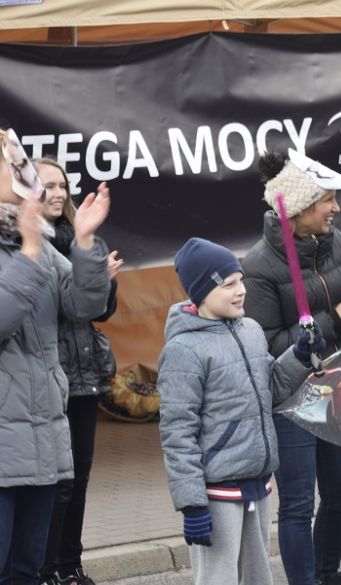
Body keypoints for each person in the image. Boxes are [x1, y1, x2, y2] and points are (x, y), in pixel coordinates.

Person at [159, 237, 321, 585]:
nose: (241, 290)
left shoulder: (250, 330)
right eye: (228, 284)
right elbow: (177, 431)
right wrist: (191, 503)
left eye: (240, 280)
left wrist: (299, 356)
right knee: (218, 578)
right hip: (216, 492)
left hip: (258, 482)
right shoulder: (182, 350)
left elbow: (272, 388)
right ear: (201, 292)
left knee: (259, 577)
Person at [240, 150, 341, 585]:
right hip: (292, 400)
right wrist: (332, 321)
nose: (336, 208)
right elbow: (266, 345)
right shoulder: (257, 266)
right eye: (327, 200)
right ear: (297, 208)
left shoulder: (338, 242)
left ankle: (327, 574)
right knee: (297, 504)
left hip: (340, 388)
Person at [0, 135, 111, 585]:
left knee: (27, 570)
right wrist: (27, 253)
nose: (24, 174)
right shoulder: (31, 245)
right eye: (12, 166)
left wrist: (84, 244)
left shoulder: (37, 242)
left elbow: (84, 306)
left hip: (42, 439)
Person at [35, 158, 120, 585]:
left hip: (84, 376)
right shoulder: (29, 244)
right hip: (52, 378)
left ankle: (71, 566)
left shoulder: (82, 237)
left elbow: (99, 311)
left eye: (61, 185)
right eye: (46, 185)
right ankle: (48, 568)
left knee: (80, 477)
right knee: (58, 482)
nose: (56, 193)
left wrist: (107, 282)